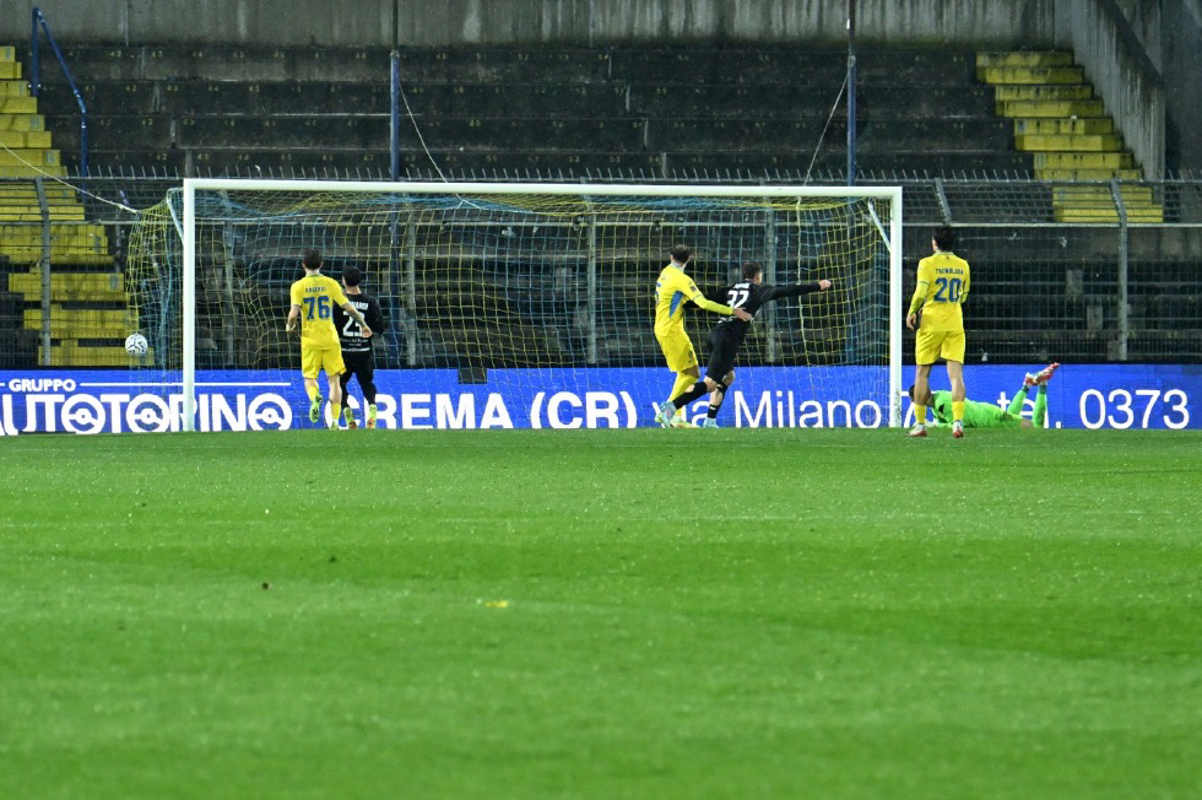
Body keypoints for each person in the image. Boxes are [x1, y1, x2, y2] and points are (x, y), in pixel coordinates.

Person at [655, 261, 832, 428]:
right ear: (758, 276)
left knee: (728, 377)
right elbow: (787, 290)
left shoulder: (730, 289)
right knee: (709, 384)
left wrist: (675, 303)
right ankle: (670, 407)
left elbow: (700, 302)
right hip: (728, 338)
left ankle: (709, 421)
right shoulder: (758, 290)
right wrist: (817, 286)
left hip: (716, 334)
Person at [654, 243, 752, 427]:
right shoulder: (682, 279)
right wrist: (733, 311)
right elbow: (704, 303)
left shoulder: (665, 273)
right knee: (692, 374)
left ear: (670, 257)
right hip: (671, 330)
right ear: (689, 259)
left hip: (665, 327)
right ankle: (669, 412)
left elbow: (678, 299)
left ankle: (675, 416)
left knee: (687, 372)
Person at [285, 249, 372, 429]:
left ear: (303, 265)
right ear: (321, 264)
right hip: (331, 339)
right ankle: (333, 422)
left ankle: (315, 396)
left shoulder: (298, 286)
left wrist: (290, 326)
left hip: (310, 339)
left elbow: (293, 314)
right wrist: (363, 325)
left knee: (309, 377)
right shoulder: (331, 283)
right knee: (334, 381)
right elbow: (348, 308)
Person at [906, 224, 971, 438]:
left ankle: (920, 424)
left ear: (934, 243)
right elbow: (963, 296)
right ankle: (958, 423)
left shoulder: (927, 263)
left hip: (931, 323)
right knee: (955, 375)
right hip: (954, 323)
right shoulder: (963, 265)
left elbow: (920, 292)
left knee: (922, 373)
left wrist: (912, 310)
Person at [908, 363, 1059, 430]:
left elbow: (960, 424)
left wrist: (934, 426)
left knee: (1036, 428)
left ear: (915, 401)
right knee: (1012, 417)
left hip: (989, 420)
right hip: (986, 415)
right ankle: (1026, 385)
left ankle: (1043, 386)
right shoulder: (937, 401)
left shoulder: (943, 404)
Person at [331, 266, 386, 429]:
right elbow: (380, 328)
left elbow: (332, 327)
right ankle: (372, 408)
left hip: (344, 353)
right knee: (366, 383)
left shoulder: (338, 302)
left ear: (343, 280)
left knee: (338, 385)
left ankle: (348, 415)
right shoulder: (370, 302)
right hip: (364, 352)